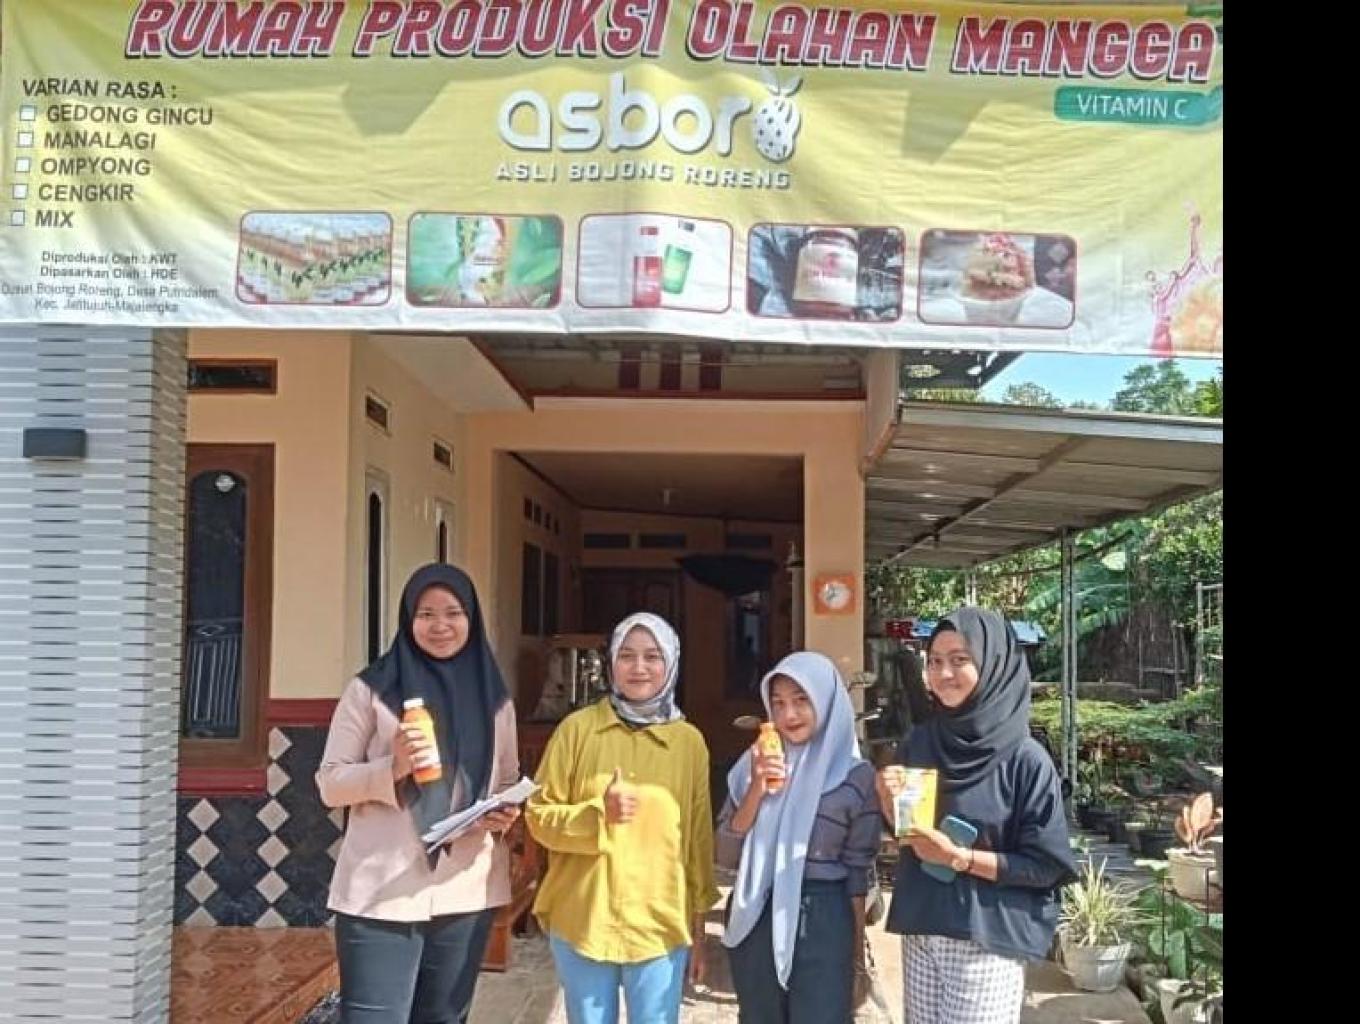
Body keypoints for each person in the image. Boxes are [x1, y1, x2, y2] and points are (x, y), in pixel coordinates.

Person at [317, 564, 520, 1023]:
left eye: (453, 612)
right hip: (380, 894)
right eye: (425, 614)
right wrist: (394, 768)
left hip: (465, 892)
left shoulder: (495, 699)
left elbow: (507, 780)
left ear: (472, 619)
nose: (440, 625)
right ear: (408, 619)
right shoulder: (370, 690)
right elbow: (330, 783)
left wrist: (504, 812)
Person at [877, 607, 1076, 1024]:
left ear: (994, 664)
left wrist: (960, 859)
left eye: (959, 659)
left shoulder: (1026, 761)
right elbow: (906, 834)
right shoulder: (920, 743)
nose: (943, 673)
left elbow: (1046, 866)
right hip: (923, 927)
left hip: (987, 939)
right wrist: (886, 797)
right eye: (934, 661)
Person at [525, 612, 718, 1024]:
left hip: (659, 923)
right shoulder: (576, 731)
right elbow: (538, 816)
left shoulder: (689, 744)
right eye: (626, 655)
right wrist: (597, 816)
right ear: (611, 663)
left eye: (652, 656)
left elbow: (697, 841)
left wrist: (699, 931)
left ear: (671, 663)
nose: (639, 667)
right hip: (584, 917)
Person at [718, 651, 881, 1024]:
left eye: (801, 700)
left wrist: (856, 951)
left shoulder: (856, 777)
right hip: (756, 913)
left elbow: (859, 871)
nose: (788, 714)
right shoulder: (754, 764)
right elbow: (725, 854)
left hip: (823, 918)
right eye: (777, 703)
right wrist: (757, 788)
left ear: (826, 701)